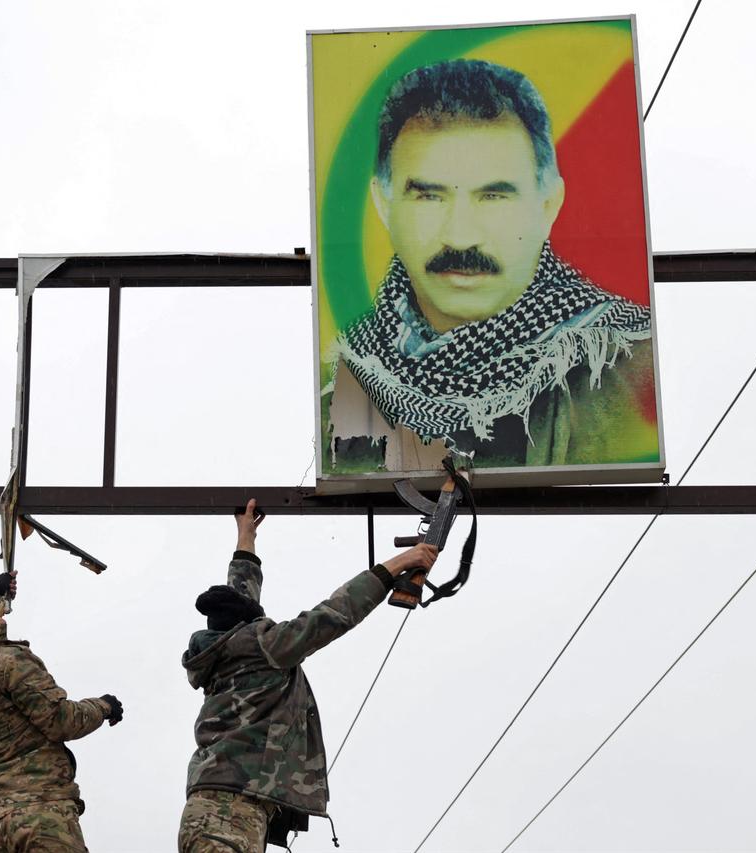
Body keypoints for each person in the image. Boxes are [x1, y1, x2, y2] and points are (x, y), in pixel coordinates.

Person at [327, 58, 656, 474]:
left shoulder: (628, 361)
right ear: (383, 205)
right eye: (430, 197)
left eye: (493, 197)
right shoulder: (347, 372)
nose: (461, 237)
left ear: (548, 206)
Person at [178, 499, 439, 851]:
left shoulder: (223, 651)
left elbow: (241, 594)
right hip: (230, 810)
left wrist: (246, 537)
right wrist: (398, 564)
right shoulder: (264, 644)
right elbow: (333, 614)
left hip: (222, 802)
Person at [0, 572, 124, 853]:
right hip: (42, 817)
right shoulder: (10, 663)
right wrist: (103, 706)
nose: (2, 619)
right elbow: (63, 722)